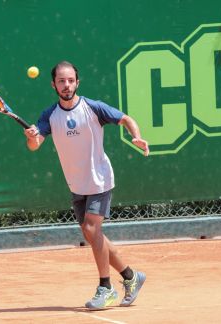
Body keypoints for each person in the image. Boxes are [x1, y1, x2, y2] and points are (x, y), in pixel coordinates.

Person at [23, 61, 149, 310]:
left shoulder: (93, 107)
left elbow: (125, 118)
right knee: (93, 235)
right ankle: (132, 277)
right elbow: (35, 145)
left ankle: (106, 288)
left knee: (92, 229)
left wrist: (136, 135)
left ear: (77, 83)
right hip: (76, 184)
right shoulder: (49, 115)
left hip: (99, 179)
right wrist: (31, 138)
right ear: (53, 84)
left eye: (70, 80)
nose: (66, 85)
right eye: (61, 81)